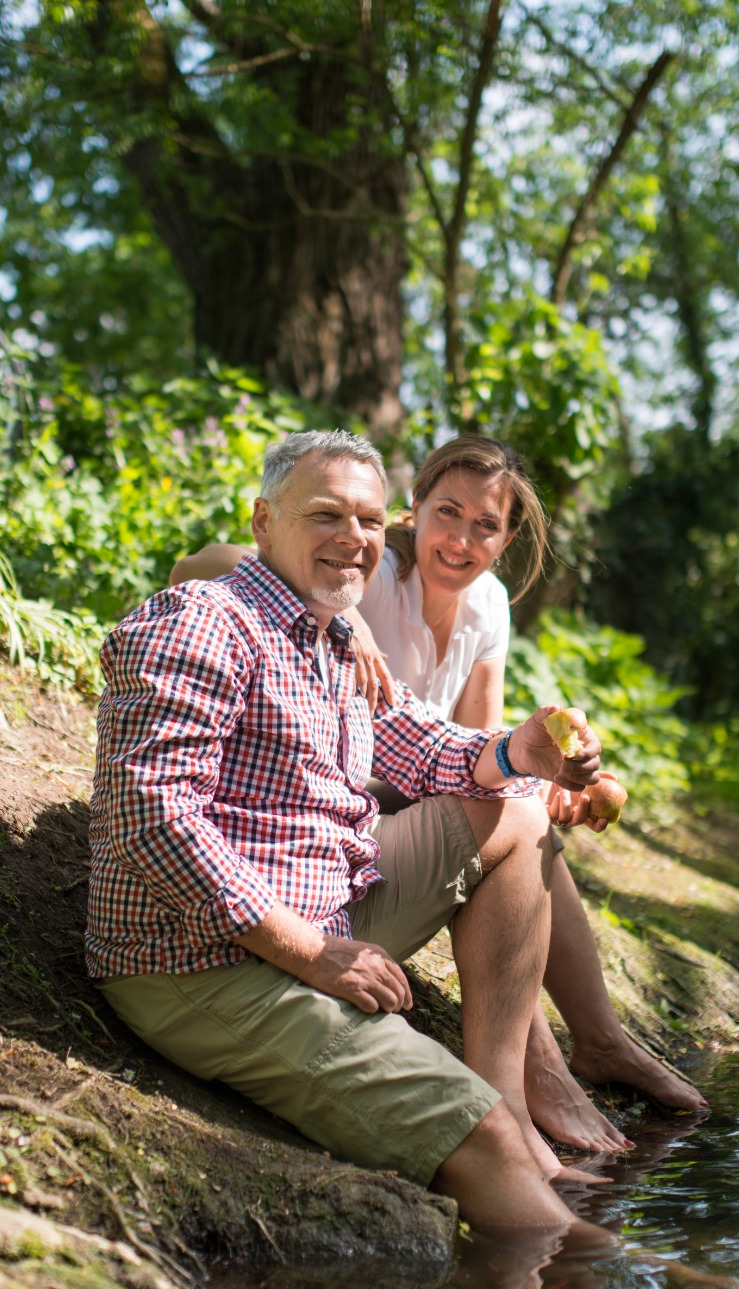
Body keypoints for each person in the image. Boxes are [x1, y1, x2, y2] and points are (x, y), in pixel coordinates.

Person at [88, 429, 609, 1228]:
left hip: (321, 905)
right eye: (326, 515)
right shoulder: (201, 621)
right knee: (484, 1136)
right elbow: (151, 818)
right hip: (201, 961)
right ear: (264, 523)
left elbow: (422, 747)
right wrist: (312, 953)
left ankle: (516, 1093)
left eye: (367, 520)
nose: (354, 538)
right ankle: (614, 1264)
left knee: (514, 810)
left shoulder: (331, 636)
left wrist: (519, 752)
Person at [171, 436, 706, 1153]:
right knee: (505, 827)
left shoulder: (488, 605)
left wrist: (548, 781)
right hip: (336, 805)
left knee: (521, 820)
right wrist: (347, 616)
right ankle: (549, 1069)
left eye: (486, 526)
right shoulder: (364, 569)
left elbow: (480, 747)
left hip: (413, 792)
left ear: (507, 539)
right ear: (413, 508)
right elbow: (199, 564)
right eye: (447, 513)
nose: (461, 540)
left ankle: (597, 1041)